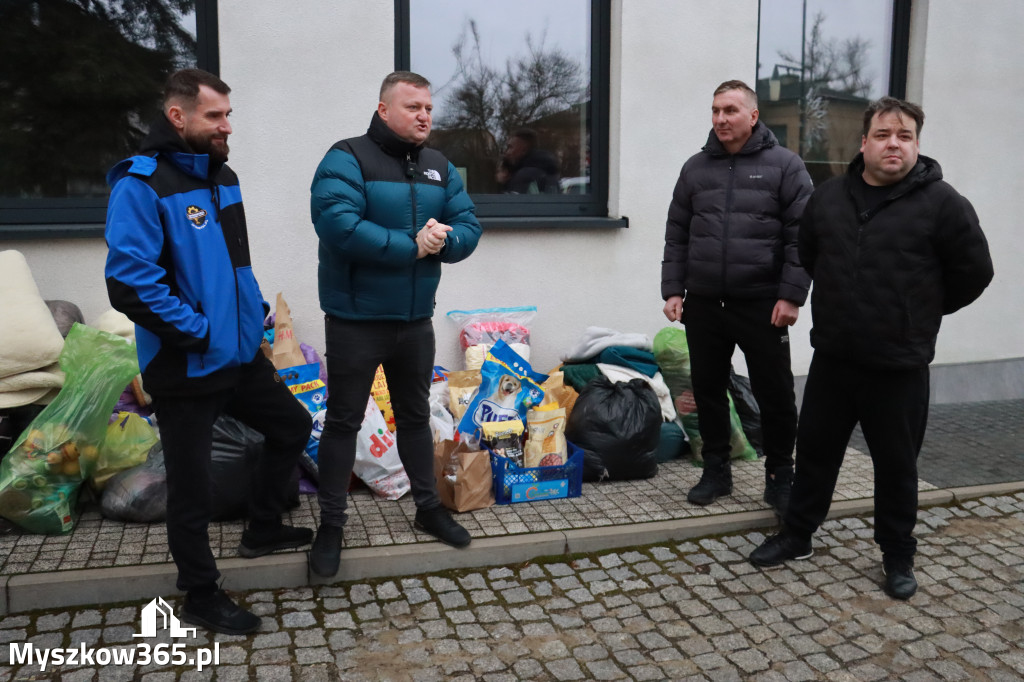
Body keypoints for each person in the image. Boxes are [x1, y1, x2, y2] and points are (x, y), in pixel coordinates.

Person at [748, 97, 993, 600]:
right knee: (815, 454)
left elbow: (975, 272)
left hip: (898, 366)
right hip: (834, 358)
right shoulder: (830, 197)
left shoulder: (944, 205)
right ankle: (798, 535)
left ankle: (897, 554)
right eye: (883, 135)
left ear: (917, 145)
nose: (893, 144)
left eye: (904, 136)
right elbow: (809, 252)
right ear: (864, 143)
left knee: (897, 467)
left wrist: (920, 312)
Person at [105, 69, 314, 634]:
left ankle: (263, 527)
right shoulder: (141, 184)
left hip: (239, 353)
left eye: (229, 115)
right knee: (191, 491)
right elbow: (130, 283)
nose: (228, 127)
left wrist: (251, 325)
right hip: (186, 362)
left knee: (292, 427)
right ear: (178, 117)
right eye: (215, 116)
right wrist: (198, 331)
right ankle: (199, 592)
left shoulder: (223, 177)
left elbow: (235, 267)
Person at [309, 71, 482, 578]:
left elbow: (469, 225)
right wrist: (412, 245)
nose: (424, 115)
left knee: (413, 418)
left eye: (428, 107)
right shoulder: (347, 157)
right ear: (384, 110)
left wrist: (444, 241)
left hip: (414, 321)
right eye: (412, 107)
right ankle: (332, 524)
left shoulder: (439, 166)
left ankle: (428, 509)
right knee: (343, 422)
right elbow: (337, 223)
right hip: (355, 320)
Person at [661, 80, 812, 514]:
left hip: (763, 304)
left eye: (730, 110)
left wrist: (791, 295)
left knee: (776, 393)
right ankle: (716, 471)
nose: (721, 119)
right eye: (715, 110)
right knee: (708, 389)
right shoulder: (695, 169)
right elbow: (677, 234)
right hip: (705, 303)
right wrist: (673, 289)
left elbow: (802, 237)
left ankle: (781, 474)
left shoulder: (785, 166)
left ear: (753, 116)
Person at [498, 128, 560, 194]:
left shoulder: (525, 176)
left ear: (523, 150)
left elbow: (512, 202)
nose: (507, 152)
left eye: (510, 147)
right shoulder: (548, 172)